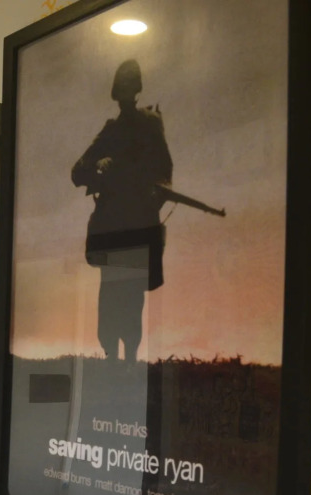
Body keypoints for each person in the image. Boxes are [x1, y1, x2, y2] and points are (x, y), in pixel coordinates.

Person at [71, 59, 172, 362]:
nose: (126, 96)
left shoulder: (150, 124)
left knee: (131, 300)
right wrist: (98, 167)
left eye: (130, 89)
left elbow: (164, 172)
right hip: (112, 231)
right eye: (122, 90)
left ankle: (128, 361)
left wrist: (151, 195)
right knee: (111, 299)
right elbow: (78, 171)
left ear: (135, 91)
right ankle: (112, 358)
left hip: (137, 230)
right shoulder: (111, 131)